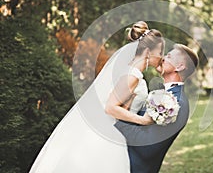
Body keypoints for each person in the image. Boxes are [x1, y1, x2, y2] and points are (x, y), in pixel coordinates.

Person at [29, 21, 165, 173]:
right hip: (109, 136)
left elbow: (124, 105)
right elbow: (111, 107)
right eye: (160, 52)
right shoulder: (132, 76)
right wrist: (143, 120)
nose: (162, 56)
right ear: (148, 51)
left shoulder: (133, 73)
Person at [115, 43, 199, 173]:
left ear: (180, 66)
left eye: (169, 56)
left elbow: (147, 147)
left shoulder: (177, 103)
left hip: (134, 167)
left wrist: (115, 121)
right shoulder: (162, 92)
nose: (163, 58)